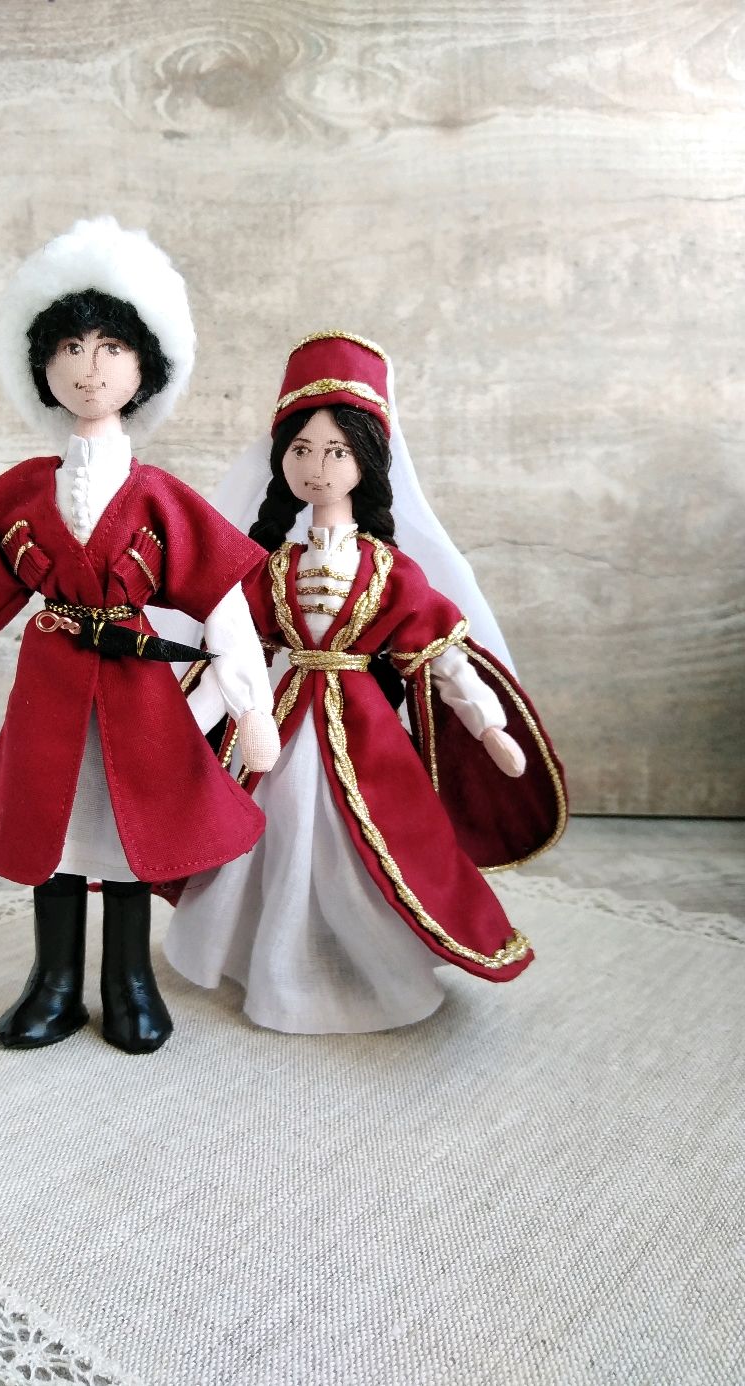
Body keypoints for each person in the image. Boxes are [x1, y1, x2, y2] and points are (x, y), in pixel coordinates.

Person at [0, 217, 279, 1054]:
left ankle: (128, 982)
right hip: (48, 690)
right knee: (48, 833)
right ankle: (52, 983)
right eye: (71, 347)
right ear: (43, 367)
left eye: (111, 347)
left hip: (135, 691)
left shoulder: (160, 498)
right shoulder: (21, 494)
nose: (90, 366)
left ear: (143, 368)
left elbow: (223, 606)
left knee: (129, 835)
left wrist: (250, 703)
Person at [164, 331, 566, 1034]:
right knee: (276, 835)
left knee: (371, 840)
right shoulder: (270, 567)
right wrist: (184, 719)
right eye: (300, 450)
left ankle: (362, 953)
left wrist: (489, 724)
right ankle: (268, 956)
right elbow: (234, 655)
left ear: (367, 461)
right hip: (282, 721)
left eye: (336, 451)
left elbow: (441, 657)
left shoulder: (390, 570)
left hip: (363, 727)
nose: (316, 467)